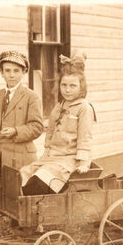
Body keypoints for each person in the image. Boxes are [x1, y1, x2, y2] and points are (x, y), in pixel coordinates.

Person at [0, 51, 44, 209]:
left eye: (16, 71)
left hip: (19, 158)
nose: (11, 75)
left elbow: (37, 127)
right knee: (2, 195)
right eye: (7, 70)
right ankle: (6, 225)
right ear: (1, 72)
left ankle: (23, 230)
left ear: (24, 72)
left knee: (20, 196)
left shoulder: (31, 97)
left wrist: (15, 131)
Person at [20, 51, 94, 195]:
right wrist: (46, 152)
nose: (67, 90)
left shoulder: (84, 108)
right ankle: (33, 209)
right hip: (53, 157)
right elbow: (51, 132)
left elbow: (85, 136)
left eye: (73, 86)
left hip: (69, 159)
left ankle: (41, 210)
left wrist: (84, 162)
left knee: (41, 180)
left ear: (81, 87)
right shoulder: (59, 106)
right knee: (25, 173)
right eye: (64, 85)